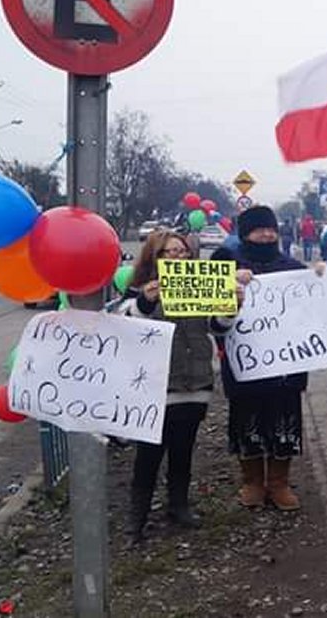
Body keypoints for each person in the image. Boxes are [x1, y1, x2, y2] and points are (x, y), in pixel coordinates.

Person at [121, 231, 245, 544]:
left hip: (195, 383)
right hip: (155, 388)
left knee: (183, 450)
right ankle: (137, 517)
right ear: (154, 257)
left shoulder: (200, 284)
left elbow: (217, 327)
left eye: (183, 252)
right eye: (169, 252)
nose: (178, 257)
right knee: (148, 455)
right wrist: (145, 302)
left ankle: (179, 506)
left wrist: (230, 309)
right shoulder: (138, 290)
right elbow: (124, 326)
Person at [215, 206, 325, 511]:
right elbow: (209, 311)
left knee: (284, 422)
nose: (266, 234)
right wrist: (229, 282)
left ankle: (279, 482)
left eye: (271, 229)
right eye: (258, 229)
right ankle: (252, 481)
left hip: (285, 367)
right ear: (244, 233)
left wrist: (320, 278)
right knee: (247, 420)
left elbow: (314, 307)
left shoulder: (292, 266)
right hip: (246, 365)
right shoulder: (226, 263)